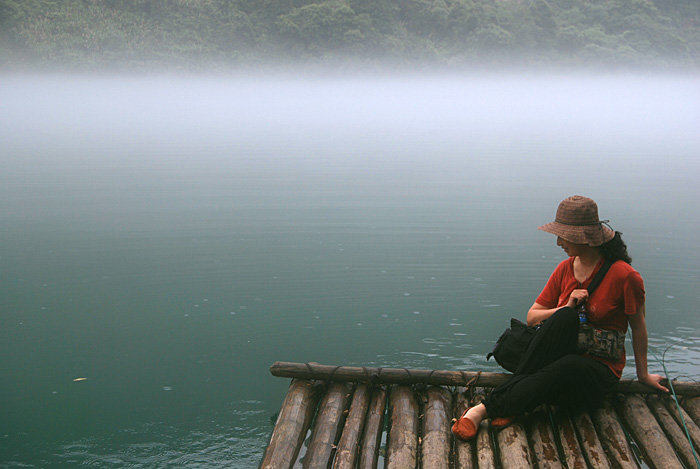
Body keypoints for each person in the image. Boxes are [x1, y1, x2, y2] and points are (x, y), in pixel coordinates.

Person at [452, 195, 668, 441]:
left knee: (567, 365)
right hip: (555, 362)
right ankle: (516, 402)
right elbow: (532, 317)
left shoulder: (625, 277)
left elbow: (639, 328)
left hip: (597, 370)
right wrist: (566, 306)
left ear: (582, 237)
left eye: (563, 236)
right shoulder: (564, 269)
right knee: (565, 318)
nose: (558, 242)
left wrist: (643, 375)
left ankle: (483, 409)